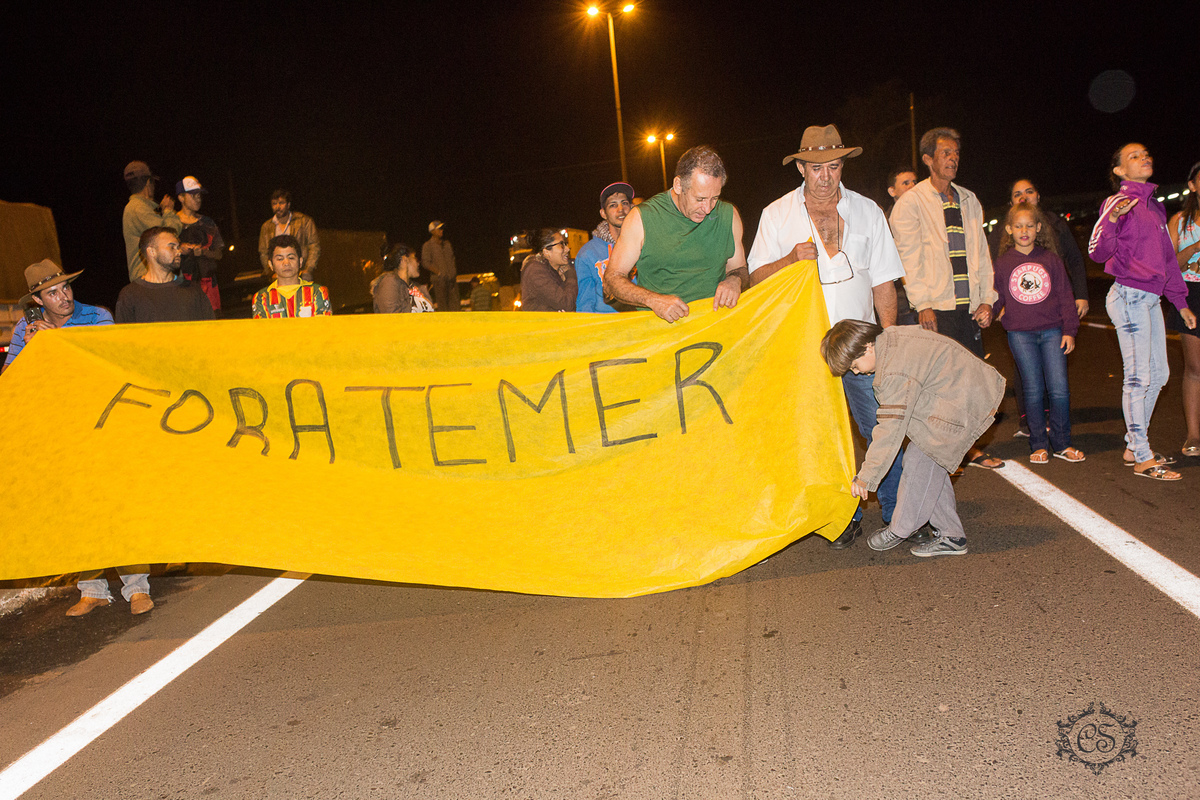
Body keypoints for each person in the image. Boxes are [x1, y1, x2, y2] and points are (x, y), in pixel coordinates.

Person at [747, 124, 910, 550]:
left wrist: (889, 341)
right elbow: (754, 279)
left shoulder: (868, 211)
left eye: (834, 166)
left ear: (842, 166)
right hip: (804, 350)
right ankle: (840, 518)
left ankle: (898, 514)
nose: (825, 176)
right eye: (816, 168)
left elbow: (884, 282)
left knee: (881, 427)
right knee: (819, 436)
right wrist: (788, 259)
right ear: (801, 168)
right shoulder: (776, 214)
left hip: (862, 349)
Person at [820, 320, 1005, 558]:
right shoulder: (890, 340)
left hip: (963, 401)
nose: (856, 372)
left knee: (919, 461)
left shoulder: (895, 369)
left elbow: (889, 429)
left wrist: (866, 477)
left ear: (867, 347)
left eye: (854, 366)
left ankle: (900, 529)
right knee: (930, 461)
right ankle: (952, 536)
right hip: (962, 392)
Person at [890, 127, 1002, 469]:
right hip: (934, 308)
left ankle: (965, 447)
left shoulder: (968, 200)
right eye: (945, 153)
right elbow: (908, 259)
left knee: (968, 379)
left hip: (967, 307)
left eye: (956, 153)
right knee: (939, 385)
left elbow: (981, 254)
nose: (952, 158)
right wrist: (921, 303)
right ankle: (938, 453)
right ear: (928, 160)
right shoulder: (911, 203)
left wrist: (987, 298)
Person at [1089, 143, 1197, 479]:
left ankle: (1132, 443)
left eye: (1146, 153)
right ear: (1119, 171)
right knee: (1138, 377)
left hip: (1151, 299)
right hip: (1129, 295)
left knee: (1160, 375)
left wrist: (1181, 302)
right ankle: (1141, 454)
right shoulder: (1116, 203)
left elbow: (1167, 260)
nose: (1144, 158)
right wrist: (1112, 220)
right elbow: (1096, 251)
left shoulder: (1154, 208)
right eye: (1134, 157)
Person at [604, 145, 749, 322]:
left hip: (715, 326)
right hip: (661, 332)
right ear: (678, 185)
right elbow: (613, 278)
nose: (708, 208)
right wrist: (653, 300)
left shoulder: (729, 215)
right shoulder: (641, 218)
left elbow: (740, 269)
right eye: (700, 199)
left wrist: (735, 280)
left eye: (715, 198)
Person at [993, 204, 1085, 464]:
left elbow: (1066, 297)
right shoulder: (1002, 263)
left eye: (1029, 225)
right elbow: (997, 296)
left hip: (1053, 331)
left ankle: (1062, 443)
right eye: (1018, 226)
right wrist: (989, 311)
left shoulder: (1051, 259)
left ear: (1039, 228)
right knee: (1032, 390)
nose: (1024, 231)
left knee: (1059, 389)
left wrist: (1070, 330)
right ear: (1009, 230)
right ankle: (1038, 444)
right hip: (1020, 335)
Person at [3, 260, 112, 374]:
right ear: (38, 300)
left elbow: (108, 365)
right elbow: (6, 375)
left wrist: (57, 341)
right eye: (53, 293)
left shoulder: (97, 316)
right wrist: (30, 351)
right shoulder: (25, 325)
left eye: (65, 287)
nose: (64, 297)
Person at [1167, 161, 1200, 457]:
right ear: (1193, 185)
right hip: (1191, 294)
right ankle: (1193, 434)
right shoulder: (1180, 221)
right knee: (1195, 368)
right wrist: (1192, 249)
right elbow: (1167, 267)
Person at [115, 228, 216, 323]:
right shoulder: (130, 295)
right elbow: (124, 338)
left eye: (178, 247)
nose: (179, 252)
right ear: (152, 252)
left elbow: (210, 332)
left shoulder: (194, 290)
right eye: (172, 247)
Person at [575, 182, 634, 313]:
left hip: (645, 327)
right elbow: (585, 304)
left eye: (624, 203)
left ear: (631, 207)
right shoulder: (587, 254)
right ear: (603, 213)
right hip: (610, 329)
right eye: (613, 205)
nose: (620, 209)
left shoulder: (644, 244)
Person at [122, 161, 182, 281]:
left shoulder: (138, 207)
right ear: (148, 183)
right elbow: (170, 234)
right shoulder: (138, 208)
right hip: (151, 281)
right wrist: (168, 211)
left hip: (150, 280)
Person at [175, 176, 225, 313]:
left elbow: (219, 254)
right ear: (181, 197)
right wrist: (179, 249)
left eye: (199, 194)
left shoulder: (207, 223)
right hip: (181, 285)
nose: (198, 198)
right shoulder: (172, 222)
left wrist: (203, 252)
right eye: (193, 195)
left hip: (209, 285)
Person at [253, 234, 333, 318]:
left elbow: (323, 328)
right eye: (280, 259)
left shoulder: (317, 292)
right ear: (270, 264)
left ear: (300, 261)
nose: (286, 263)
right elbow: (262, 330)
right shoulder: (262, 297)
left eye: (291, 257)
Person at [258, 190, 320, 281]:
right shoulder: (267, 227)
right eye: (274, 204)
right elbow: (263, 252)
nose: (278, 207)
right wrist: (271, 272)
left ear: (288, 204)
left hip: (300, 273)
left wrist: (308, 269)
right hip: (278, 276)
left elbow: (314, 246)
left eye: (281, 203)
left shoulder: (304, 221)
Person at [885, 167, 919, 325]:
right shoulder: (885, 223)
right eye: (906, 183)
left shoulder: (928, 215)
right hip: (903, 297)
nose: (912, 186)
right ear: (892, 191)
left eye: (915, 182)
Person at [520, 228, 578, 312]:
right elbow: (566, 304)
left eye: (566, 244)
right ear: (547, 251)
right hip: (542, 325)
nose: (567, 249)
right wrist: (570, 275)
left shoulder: (555, 270)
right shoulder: (535, 271)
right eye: (561, 245)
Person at [372, 243, 434, 313]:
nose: (418, 263)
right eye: (415, 258)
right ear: (404, 259)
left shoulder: (416, 286)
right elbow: (393, 318)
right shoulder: (389, 283)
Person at [422, 220, 459, 311]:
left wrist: (453, 273)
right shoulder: (428, 245)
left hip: (452, 280)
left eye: (442, 229)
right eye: (439, 229)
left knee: (455, 306)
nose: (441, 230)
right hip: (439, 281)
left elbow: (452, 259)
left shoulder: (447, 244)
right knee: (444, 308)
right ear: (432, 231)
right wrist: (439, 273)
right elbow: (425, 263)